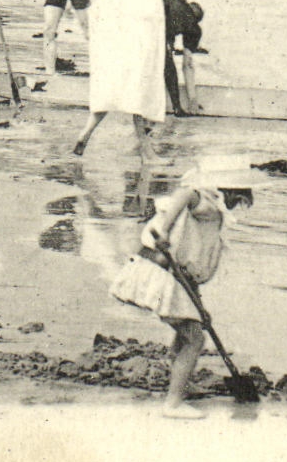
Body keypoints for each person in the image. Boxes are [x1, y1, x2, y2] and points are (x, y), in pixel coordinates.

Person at [109, 163, 254, 418]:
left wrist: (199, 303)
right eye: (239, 199)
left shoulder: (212, 206)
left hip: (178, 279)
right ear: (229, 190)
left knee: (190, 330)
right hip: (162, 274)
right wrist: (163, 230)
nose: (237, 207)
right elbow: (182, 195)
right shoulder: (202, 197)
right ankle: (173, 403)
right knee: (194, 339)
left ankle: (181, 383)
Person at [73, 0, 168, 177]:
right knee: (138, 103)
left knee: (109, 97)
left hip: (118, 54)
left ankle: (83, 136)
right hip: (139, 54)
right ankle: (147, 155)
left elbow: (97, 13)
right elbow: (152, 21)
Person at [161, 0, 206, 117]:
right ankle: (177, 108)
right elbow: (188, 64)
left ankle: (176, 108)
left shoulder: (177, 1)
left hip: (155, 11)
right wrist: (192, 99)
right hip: (162, 20)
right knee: (168, 63)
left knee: (166, 58)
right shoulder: (193, 27)